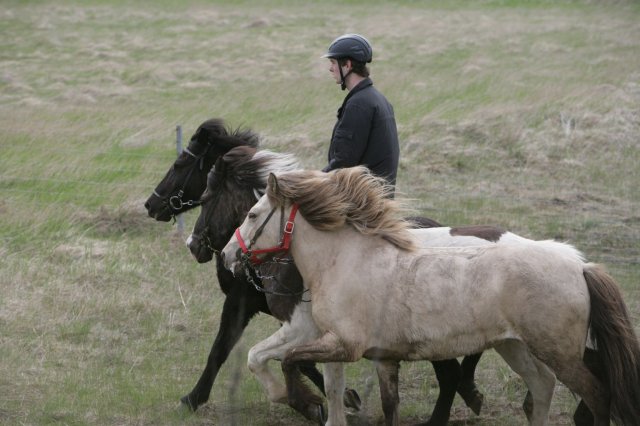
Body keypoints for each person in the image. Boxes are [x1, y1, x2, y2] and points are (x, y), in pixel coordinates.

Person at [322, 33, 400, 191]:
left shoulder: (359, 104)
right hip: (375, 197)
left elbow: (344, 162)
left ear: (347, 65)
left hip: (361, 201)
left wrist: (315, 178)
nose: (330, 68)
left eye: (333, 62)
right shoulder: (377, 98)